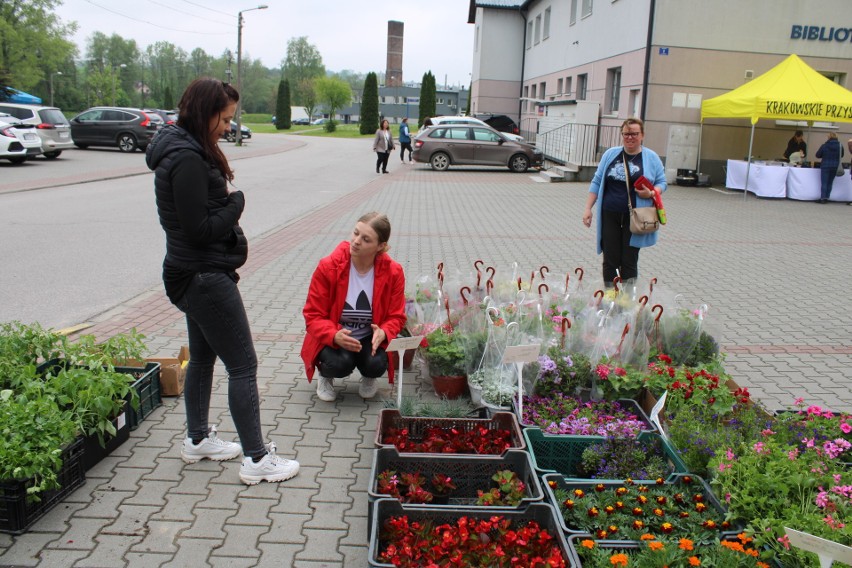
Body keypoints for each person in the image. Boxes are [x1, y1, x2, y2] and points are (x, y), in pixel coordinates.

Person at [146, 78, 299, 485]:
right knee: (243, 364)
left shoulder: (182, 148)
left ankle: (197, 439)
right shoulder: (188, 159)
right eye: (224, 118)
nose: (227, 126)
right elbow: (199, 228)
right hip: (203, 276)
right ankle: (257, 459)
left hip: (190, 272)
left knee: (202, 357)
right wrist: (236, 204)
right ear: (204, 111)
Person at [301, 212, 406, 402]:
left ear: (380, 246)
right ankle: (325, 377)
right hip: (334, 336)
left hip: (367, 338)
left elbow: (396, 316)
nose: (356, 241)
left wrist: (384, 331)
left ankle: (369, 377)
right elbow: (313, 315)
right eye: (356, 233)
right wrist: (333, 335)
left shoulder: (393, 272)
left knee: (376, 363)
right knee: (340, 363)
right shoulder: (328, 267)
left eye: (366, 239)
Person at [582, 117, 666, 285]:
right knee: (610, 259)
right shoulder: (611, 154)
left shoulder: (651, 157)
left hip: (636, 217)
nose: (630, 137)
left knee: (629, 259)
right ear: (622, 134)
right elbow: (597, 181)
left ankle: (627, 303)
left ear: (642, 135)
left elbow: (662, 183)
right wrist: (588, 208)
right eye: (626, 133)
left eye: (634, 134)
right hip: (609, 213)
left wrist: (651, 193)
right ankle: (610, 298)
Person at [814, 132, 844, 204]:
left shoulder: (825, 145)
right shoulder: (840, 146)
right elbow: (842, 155)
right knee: (830, 182)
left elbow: (818, 155)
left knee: (824, 182)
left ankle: (822, 198)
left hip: (825, 166)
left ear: (829, 137)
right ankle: (827, 197)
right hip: (835, 166)